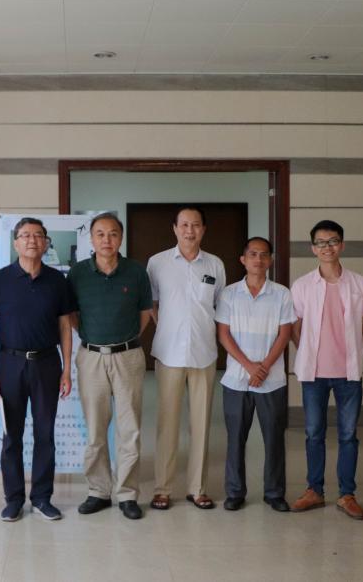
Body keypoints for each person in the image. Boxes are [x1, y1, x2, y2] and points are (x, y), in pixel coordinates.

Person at [0, 217, 74, 522]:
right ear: (15, 242)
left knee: (45, 433)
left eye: (38, 235)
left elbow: (65, 326)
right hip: (9, 363)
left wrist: (66, 370)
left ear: (46, 242)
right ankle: (13, 499)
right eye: (25, 235)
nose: (32, 240)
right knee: (12, 434)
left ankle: (42, 498)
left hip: (47, 363)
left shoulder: (57, 281)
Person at [69, 212, 153, 520]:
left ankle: (127, 494)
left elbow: (144, 313)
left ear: (121, 237)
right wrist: (95, 338)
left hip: (128, 356)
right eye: (100, 234)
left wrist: (122, 341)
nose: (107, 239)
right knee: (95, 429)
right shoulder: (78, 273)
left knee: (129, 429)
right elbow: (73, 315)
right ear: (91, 239)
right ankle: (99, 491)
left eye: (113, 233)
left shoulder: (136, 272)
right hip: (91, 356)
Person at [289, 220, 363, 520]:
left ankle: (347, 494)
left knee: (348, 435)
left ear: (342, 245)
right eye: (321, 242)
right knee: (314, 433)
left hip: (348, 374)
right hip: (313, 374)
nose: (327, 247)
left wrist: (355, 353)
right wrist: (308, 353)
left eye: (333, 241)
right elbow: (295, 328)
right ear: (313, 248)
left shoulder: (359, 283)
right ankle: (314, 490)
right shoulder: (301, 286)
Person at [146, 206, 225, 511]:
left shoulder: (215, 264)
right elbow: (151, 304)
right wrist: (167, 327)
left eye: (195, 225)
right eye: (184, 225)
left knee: (201, 425)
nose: (189, 230)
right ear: (174, 228)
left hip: (204, 353)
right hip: (169, 353)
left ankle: (197, 488)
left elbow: (219, 305)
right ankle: (163, 489)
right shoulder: (158, 263)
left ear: (203, 229)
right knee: (167, 424)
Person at [215, 237, 294, 513]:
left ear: (270, 260)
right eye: (252, 254)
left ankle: (274, 493)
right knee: (235, 439)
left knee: (274, 438)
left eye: (263, 255)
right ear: (243, 259)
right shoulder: (229, 294)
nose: (258, 259)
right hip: (236, 380)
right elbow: (223, 334)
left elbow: (285, 334)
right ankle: (235, 492)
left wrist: (264, 367)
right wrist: (249, 366)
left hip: (272, 380)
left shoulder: (282, 294)